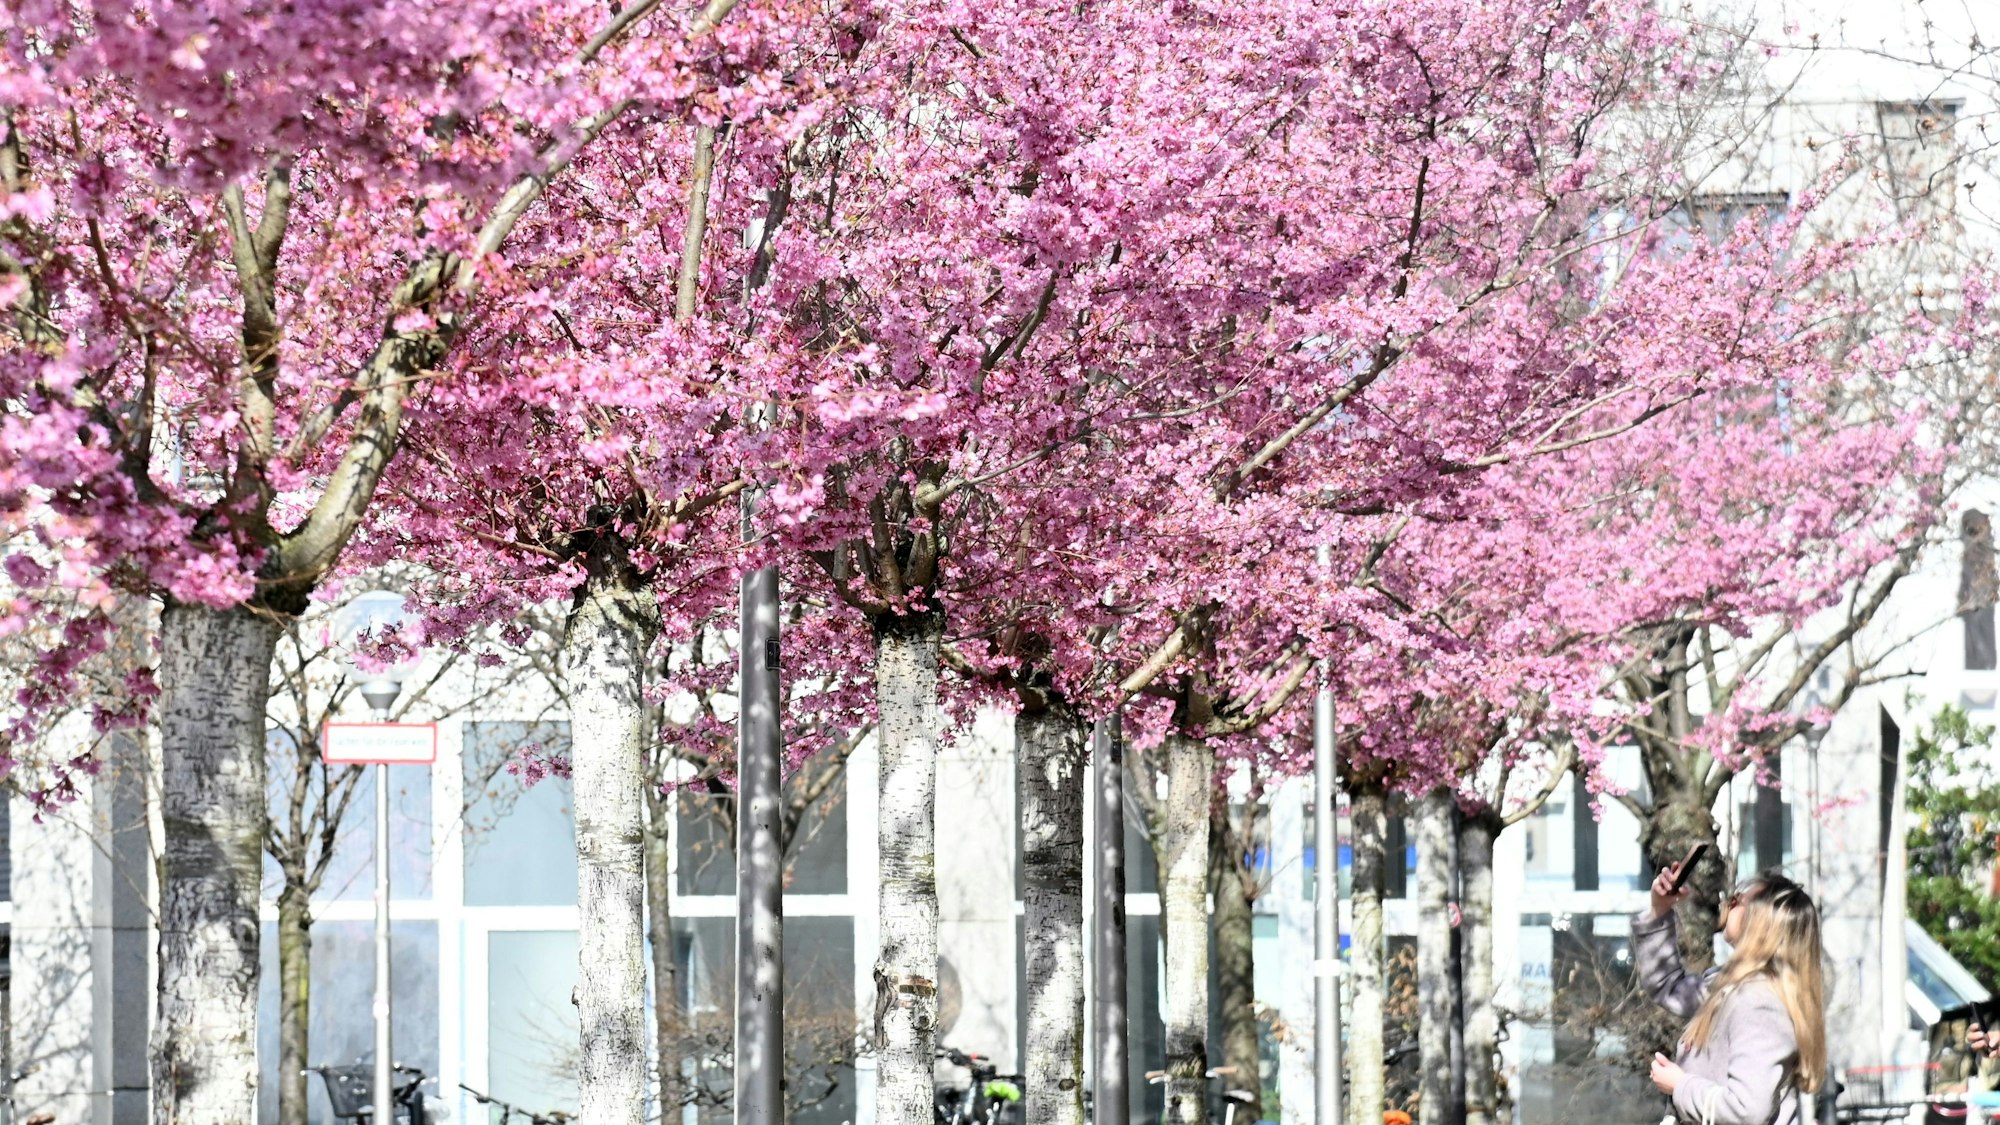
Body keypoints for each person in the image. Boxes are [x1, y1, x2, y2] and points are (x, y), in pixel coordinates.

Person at [1632, 866, 1827, 1125]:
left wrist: (1680, 1085)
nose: (1727, 905)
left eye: (1736, 901)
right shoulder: (1735, 988)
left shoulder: (1759, 1002)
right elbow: (1668, 985)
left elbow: (1746, 1109)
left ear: (1759, 923)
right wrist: (1659, 909)